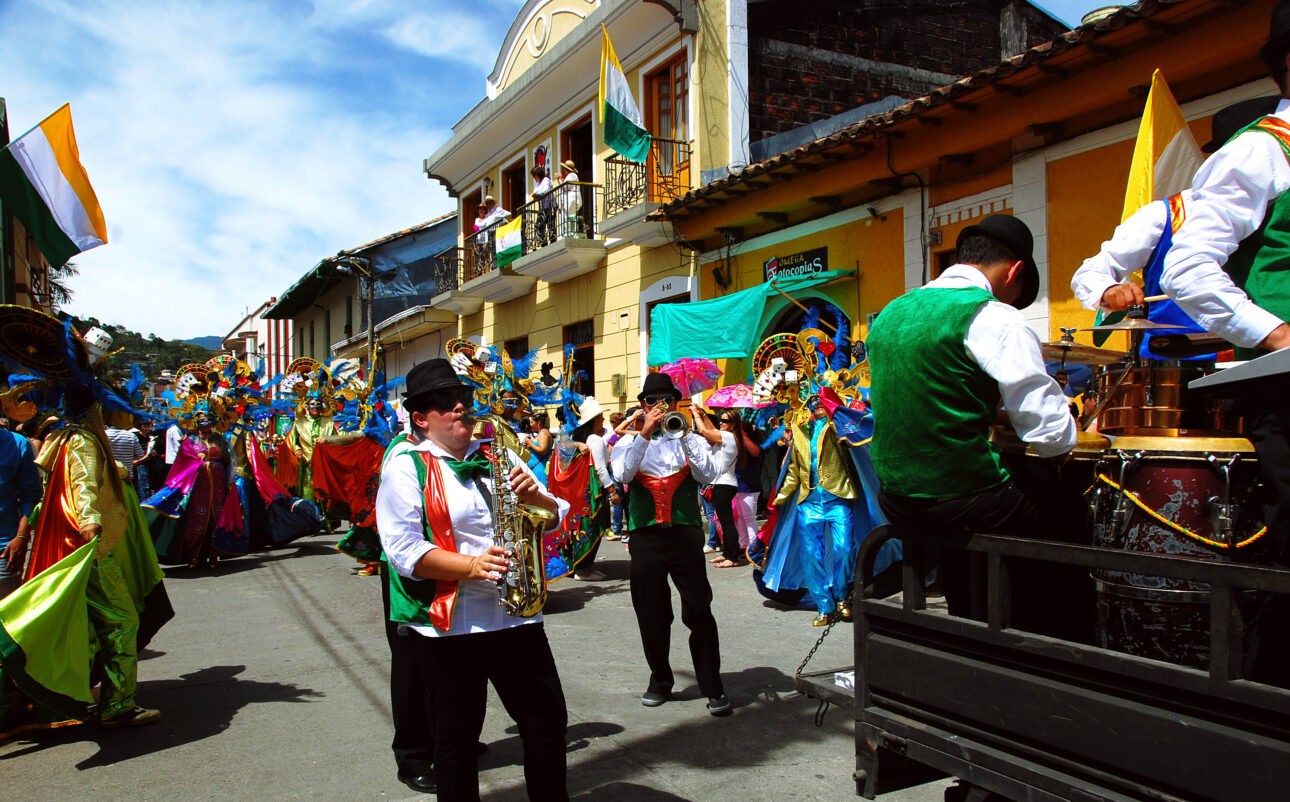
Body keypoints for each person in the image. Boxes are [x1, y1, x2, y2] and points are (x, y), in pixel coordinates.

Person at [867, 215, 1080, 630]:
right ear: (1015, 271)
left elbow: (930, 399)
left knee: (976, 509)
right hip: (960, 495)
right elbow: (1051, 435)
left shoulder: (893, 312)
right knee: (1069, 506)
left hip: (895, 495)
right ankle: (1057, 640)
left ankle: (969, 619)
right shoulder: (995, 317)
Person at [375, 358, 569, 802]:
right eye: (446, 401)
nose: (460, 406)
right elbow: (402, 550)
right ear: (421, 419)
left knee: (545, 726)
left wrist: (536, 493)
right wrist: (471, 566)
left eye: (463, 397)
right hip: (450, 625)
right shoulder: (407, 465)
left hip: (515, 615)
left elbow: (554, 518)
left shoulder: (497, 451)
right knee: (456, 741)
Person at [1071, 96, 1281, 357]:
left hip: (1251, 357)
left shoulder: (1275, 216)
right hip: (1173, 366)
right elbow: (1090, 271)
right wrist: (1109, 289)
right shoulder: (1164, 215)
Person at [610, 373, 730, 716]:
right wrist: (645, 432)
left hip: (685, 535)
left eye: (667, 400)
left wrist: (688, 433)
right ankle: (660, 679)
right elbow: (623, 474)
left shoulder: (689, 439)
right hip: (646, 539)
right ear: (642, 405)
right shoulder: (627, 442)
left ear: (676, 403)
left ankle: (712, 684)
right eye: (652, 400)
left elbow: (708, 474)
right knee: (651, 613)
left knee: (699, 610)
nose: (660, 406)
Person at [762, 396, 860, 625]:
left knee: (844, 548)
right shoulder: (801, 432)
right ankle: (824, 606)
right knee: (812, 557)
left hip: (837, 498)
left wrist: (835, 405)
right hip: (809, 503)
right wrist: (780, 497)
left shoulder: (836, 427)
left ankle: (843, 596)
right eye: (812, 401)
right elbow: (795, 470)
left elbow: (851, 434)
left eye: (820, 400)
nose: (816, 405)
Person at [692, 407, 743, 568]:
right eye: (721, 419)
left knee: (727, 522)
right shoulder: (729, 436)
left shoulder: (728, 436)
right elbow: (712, 429)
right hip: (722, 483)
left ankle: (732, 557)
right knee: (723, 520)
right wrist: (704, 415)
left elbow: (704, 431)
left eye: (725, 421)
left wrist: (695, 416)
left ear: (733, 424)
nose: (721, 422)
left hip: (724, 484)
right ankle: (727, 553)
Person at [569, 398, 612, 581]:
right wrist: (612, 490)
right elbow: (600, 468)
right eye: (601, 416)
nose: (603, 419)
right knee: (594, 528)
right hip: (594, 492)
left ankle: (583, 566)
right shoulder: (595, 440)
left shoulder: (579, 439)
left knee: (582, 527)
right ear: (594, 420)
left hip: (580, 493)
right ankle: (583, 570)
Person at [0, 419, 41, 598]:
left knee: (6, 615)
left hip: (4, 550)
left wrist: (22, 537)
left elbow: (31, 495)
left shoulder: (17, 444)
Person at [106, 418, 145, 491]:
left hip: (109, 478)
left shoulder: (104, 435)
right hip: (128, 478)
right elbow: (140, 455)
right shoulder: (131, 436)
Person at [531, 164, 557, 247]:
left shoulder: (546, 180)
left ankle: (553, 241)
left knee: (550, 223)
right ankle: (544, 242)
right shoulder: (538, 183)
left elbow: (546, 190)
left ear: (538, 175)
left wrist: (539, 194)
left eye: (535, 176)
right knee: (539, 225)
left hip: (550, 205)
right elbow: (535, 192)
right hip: (542, 207)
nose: (534, 178)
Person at [558, 160, 582, 236]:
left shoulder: (571, 175)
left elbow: (565, 187)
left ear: (566, 169)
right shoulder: (573, 176)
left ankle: (570, 234)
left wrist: (559, 179)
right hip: (574, 199)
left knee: (569, 217)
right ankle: (571, 233)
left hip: (571, 199)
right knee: (571, 217)